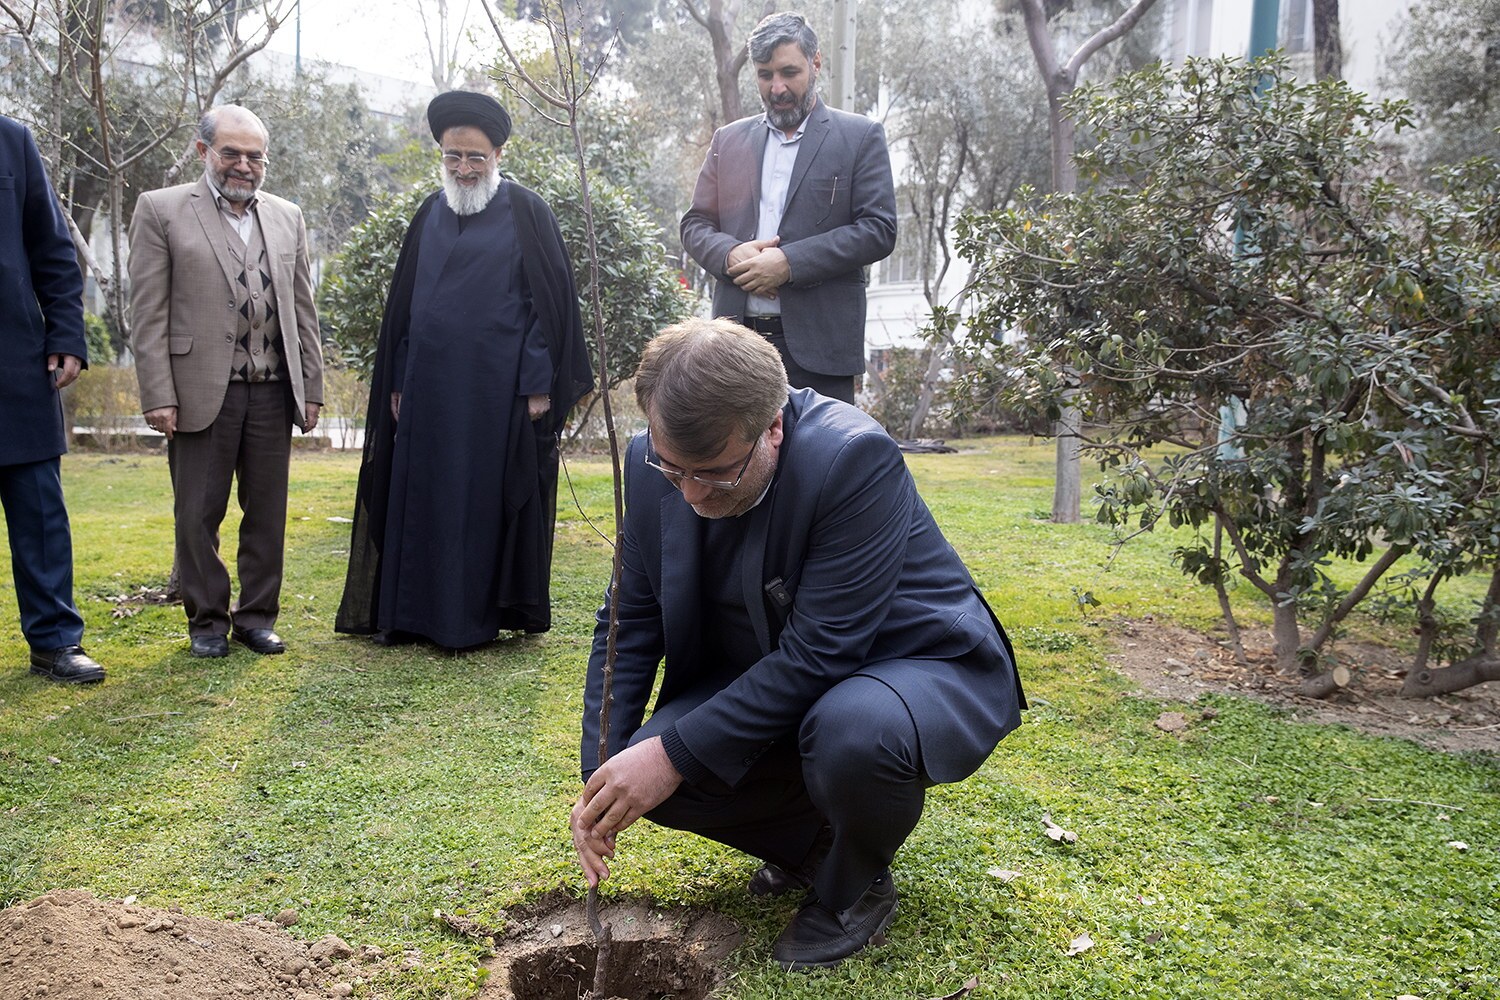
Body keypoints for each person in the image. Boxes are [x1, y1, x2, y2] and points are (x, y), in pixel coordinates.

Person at [571, 319, 1025, 970]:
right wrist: (602, 773)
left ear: (773, 427)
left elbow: (823, 654)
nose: (693, 495)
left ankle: (853, 891)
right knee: (644, 770)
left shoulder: (852, 458)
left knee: (852, 733)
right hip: (773, 668)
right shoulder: (651, 467)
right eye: (675, 473)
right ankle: (815, 851)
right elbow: (630, 622)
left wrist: (670, 753)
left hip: (909, 662)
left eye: (716, 475)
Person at [335, 91, 593, 648]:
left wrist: (534, 386)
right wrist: (400, 380)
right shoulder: (429, 211)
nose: (464, 168)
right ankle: (409, 615)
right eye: (453, 156)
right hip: (428, 390)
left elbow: (546, 311)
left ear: (499, 153)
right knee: (422, 497)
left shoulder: (528, 212)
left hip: (493, 393)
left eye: (475, 157)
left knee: (477, 501)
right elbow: (405, 311)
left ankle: (466, 619)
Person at [128, 105, 324, 659]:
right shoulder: (161, 210)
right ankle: (207, 622)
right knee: (197, 516)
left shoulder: (288, 216)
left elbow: (302, 309)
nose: (244, 166)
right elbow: (148, 312)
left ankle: (257, 617)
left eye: (254, 156)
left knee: (267, 514)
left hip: (271, 389)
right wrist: (158, 395)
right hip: (196, 390)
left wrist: (311, 386)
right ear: (203, 152)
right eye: (231, 153)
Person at [679, 11, 897, 404]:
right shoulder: (728, 141)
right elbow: (695, 224)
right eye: (765, 75)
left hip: (821, 350)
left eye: (788, 72)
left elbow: (878, 229)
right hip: (735, 346)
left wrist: (789, 263)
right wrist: (730, 254)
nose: (777, 88)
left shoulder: (860, 137)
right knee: (737, 465)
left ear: (815, 63)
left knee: (818, 464)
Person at [0, 115, 106, 684]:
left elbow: (53, 248)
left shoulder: (11, 139)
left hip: (15, 362)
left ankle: (55, 641)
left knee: (41, 515)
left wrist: (66, 333)